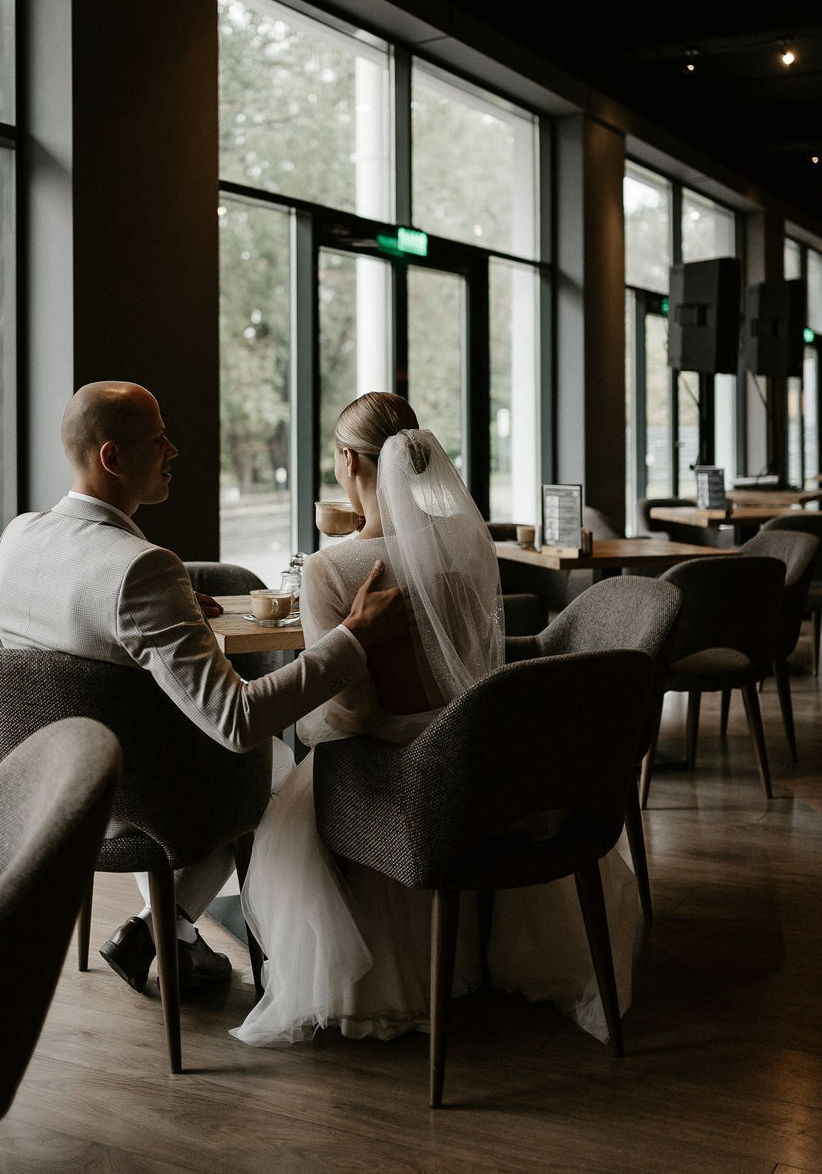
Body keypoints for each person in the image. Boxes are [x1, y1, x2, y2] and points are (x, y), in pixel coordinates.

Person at [231, 391, 639, 1048]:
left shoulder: (330, 569)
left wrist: (302, 730)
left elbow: (351, 713)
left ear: (348, 463)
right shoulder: (462, 543)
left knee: (291, 788)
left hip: (392, 781)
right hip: (475, 761)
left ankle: (376, 982)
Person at [0, 380, 404, 996]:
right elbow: (236, 720)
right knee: (285, 769)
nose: (174, 450)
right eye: (158, 439)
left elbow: (83, 611)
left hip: (44, 785)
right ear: (112, 458)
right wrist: (351, 637)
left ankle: (169, 938)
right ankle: (165, 928)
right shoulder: (141, 569)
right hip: (137, 802)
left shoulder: (20, 536)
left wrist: (175, 603)